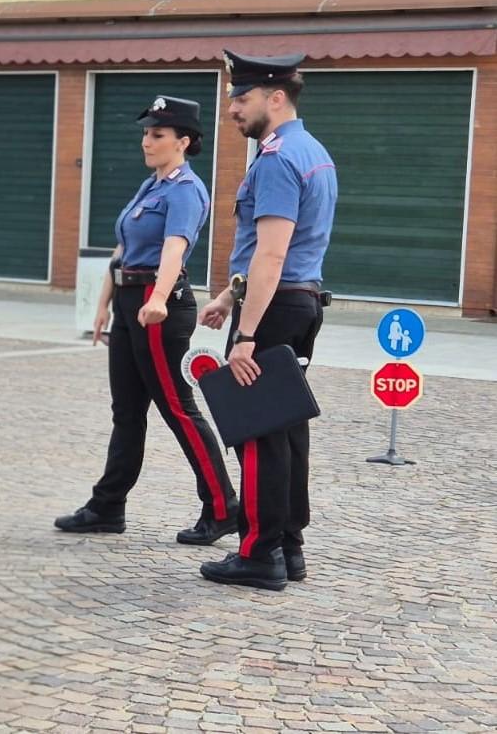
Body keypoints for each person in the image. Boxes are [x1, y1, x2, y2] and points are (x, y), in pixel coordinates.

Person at [54, 96, 237, 544]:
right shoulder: (152, 186)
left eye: (157, 134)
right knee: (127, 412)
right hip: (130, 303)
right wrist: (103, 303)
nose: (146, 141)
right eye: (145, 133)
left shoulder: (186, 190)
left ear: (184, 141)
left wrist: (155, 299)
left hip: (160, 308)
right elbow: (122, 251)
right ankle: (107, 506)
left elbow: (174, 249)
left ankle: (222, 506)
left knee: (178, 409)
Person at [198, 50, 337, 591]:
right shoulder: (312, 151)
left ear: (275, 98)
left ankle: (259, 554)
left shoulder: (277, 158)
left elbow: (273, 254)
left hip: (274, 308)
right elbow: (287, 253)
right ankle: (290, 548)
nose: (232, 107)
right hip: (298, 301)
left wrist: (247, 334)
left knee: (257, 433)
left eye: (242, 97)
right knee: (286, 429)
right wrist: (230, 297)